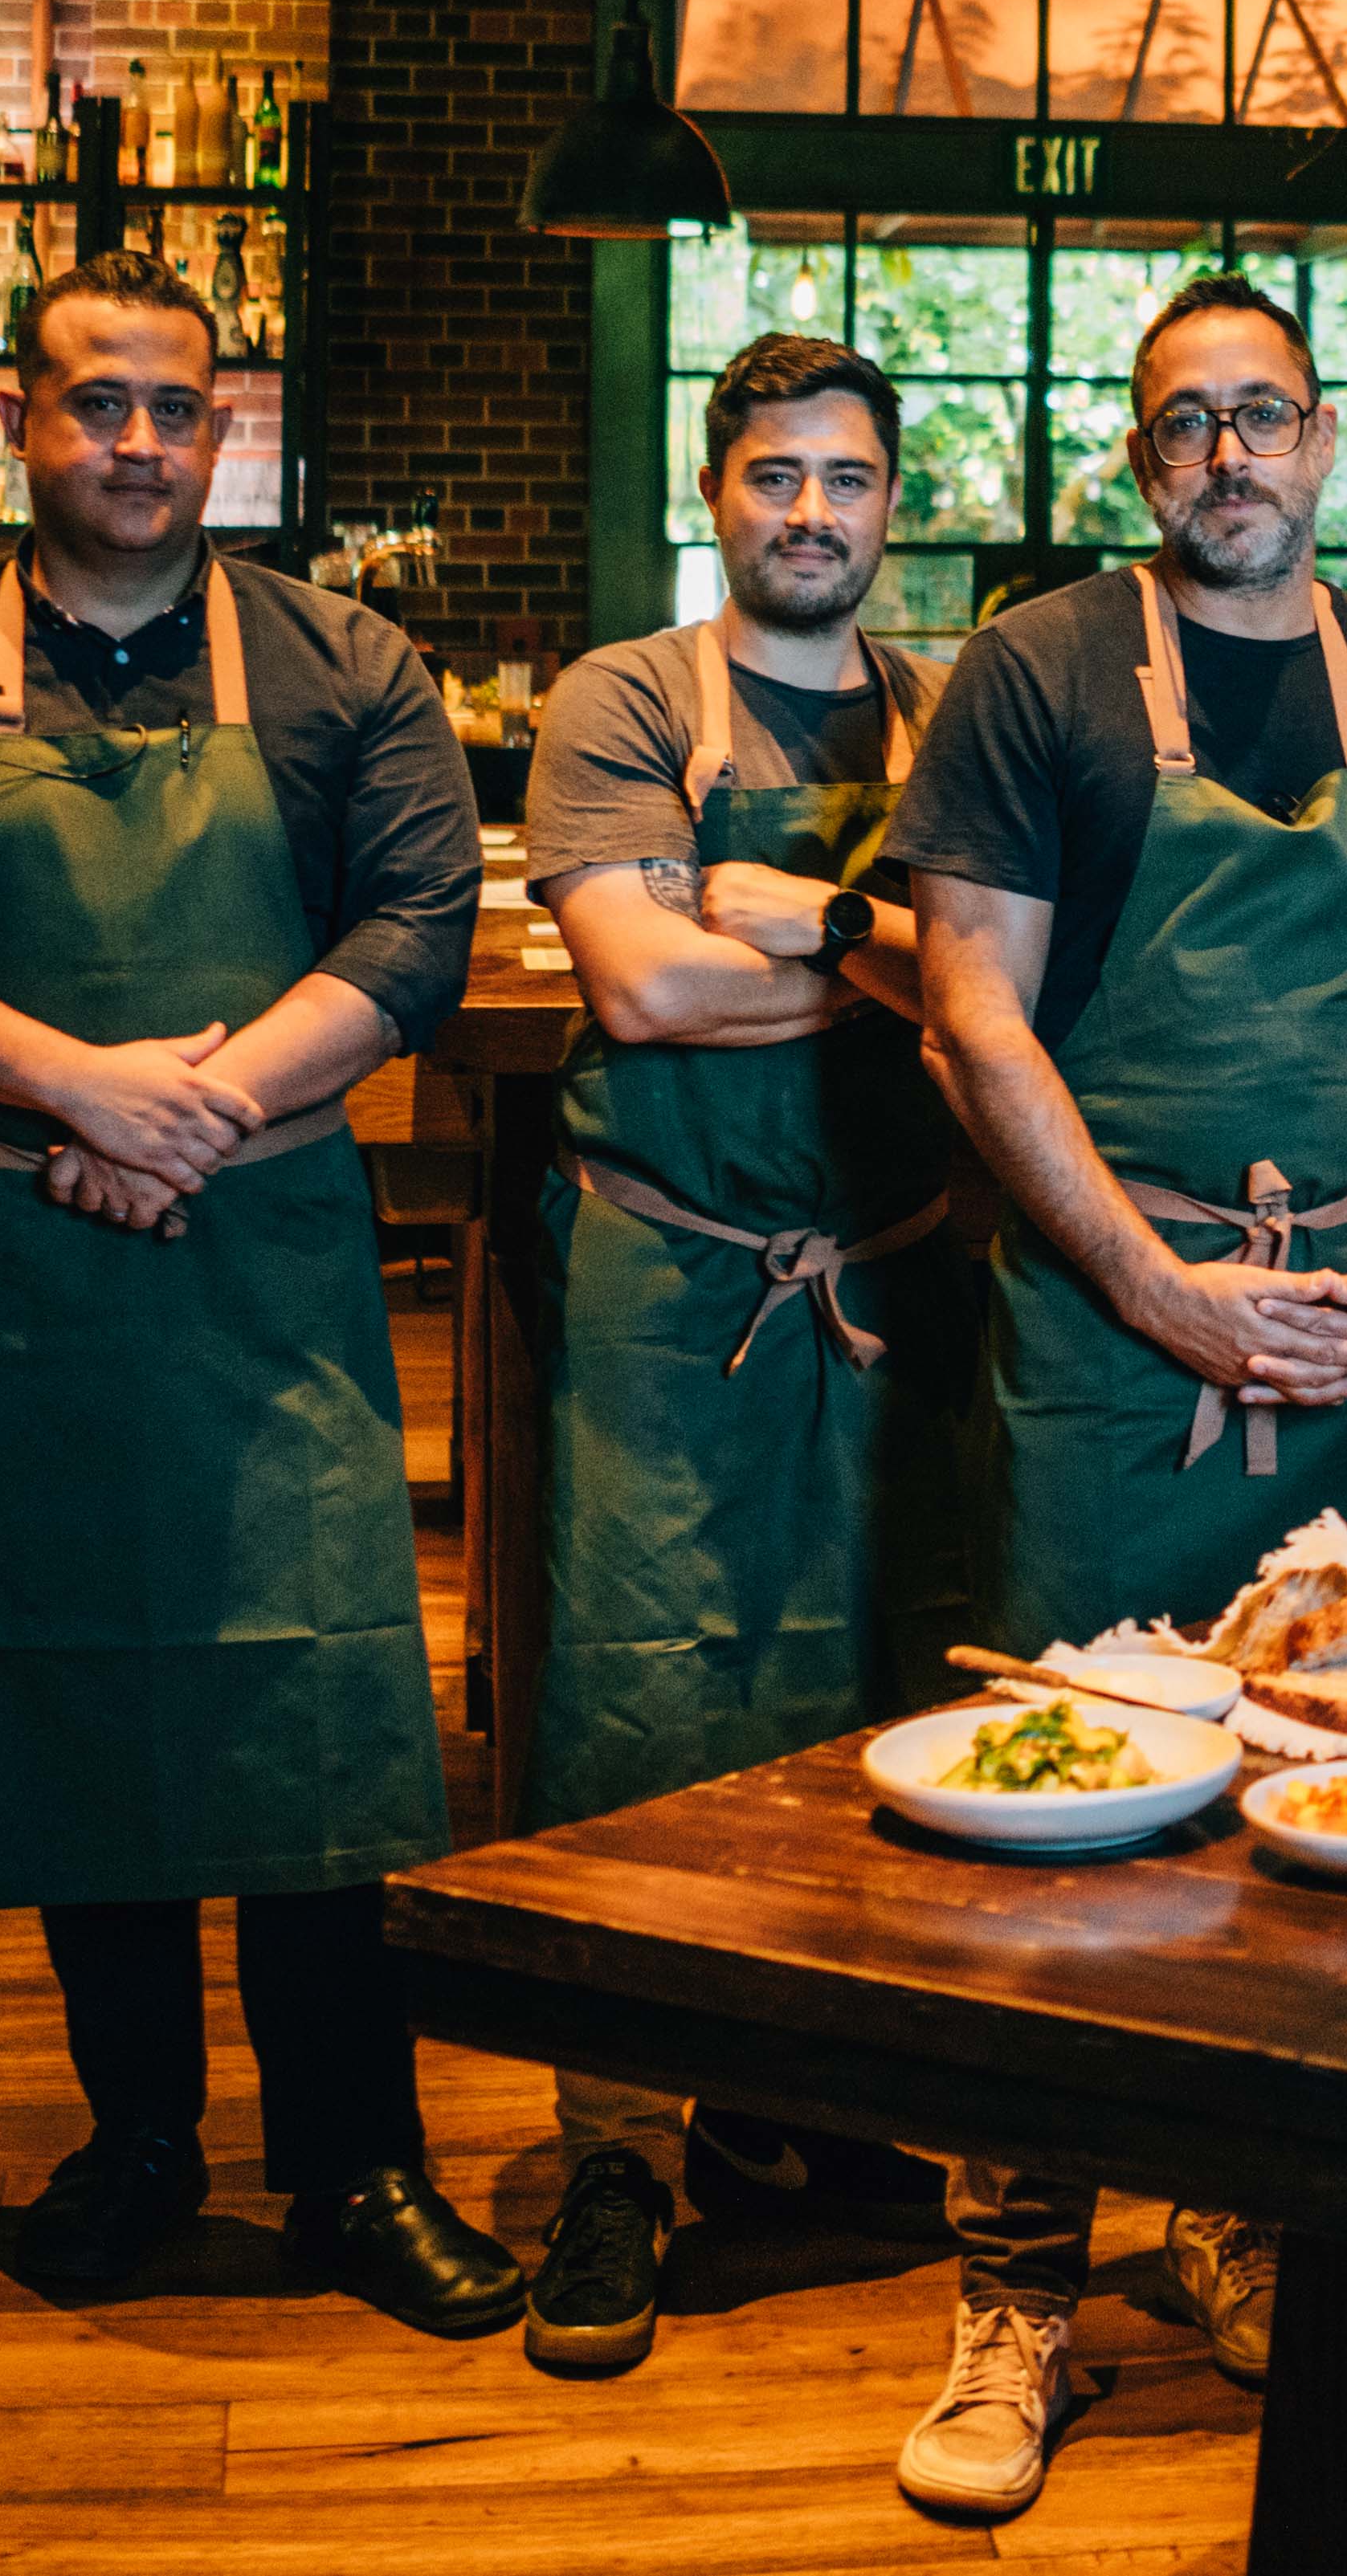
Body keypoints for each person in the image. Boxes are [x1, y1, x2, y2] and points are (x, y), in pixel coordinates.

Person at [0, 249, 516, 2335]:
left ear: (223, 429)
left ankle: (361, 2168)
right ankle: (139, 2144)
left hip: (262, 1258)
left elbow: (423, 919)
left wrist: (199, 1104)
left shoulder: (346, 663)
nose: (139, 444)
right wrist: (72, 1082)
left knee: (316, 1714)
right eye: (96, 403)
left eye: (176, 407)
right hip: (10, 1270)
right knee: (78, 1702)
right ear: (21, 420)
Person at [888, 270, 1347, 2521]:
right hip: (1113, 1334)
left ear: (1325, 440)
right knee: (1060, 1804)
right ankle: (1018, 2284)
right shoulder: (1038, 672)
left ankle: (1248, 2213)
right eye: (1185, 426)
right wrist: (1160, 1290)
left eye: (1264, 416)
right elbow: (976, 1019)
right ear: (1137, 461)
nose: (1228, 456)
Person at [507, 332, 986, 2377]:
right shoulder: (626, 699)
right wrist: (871, 959)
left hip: (900, 1279)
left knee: (884, 1683)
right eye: (775, 475)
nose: (812, 512)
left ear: (893, 507)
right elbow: (637, 983)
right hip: (676, 1271)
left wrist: (783, 920)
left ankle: (803, 2102)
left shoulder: (952, 706)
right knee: (639, 1699)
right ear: (719, 493)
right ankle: (617, 2143)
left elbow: (989, 982)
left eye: (849, 480)